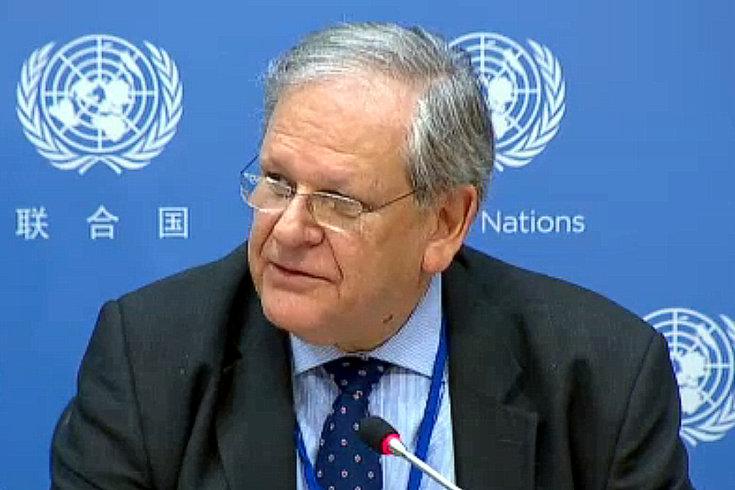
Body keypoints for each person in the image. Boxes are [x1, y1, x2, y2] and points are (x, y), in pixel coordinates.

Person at [51, 22, 692, 489]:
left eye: (338, 201)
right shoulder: (149, 357)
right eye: (277, 183)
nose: (288, 230)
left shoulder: (602, 376)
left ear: (445, 222)